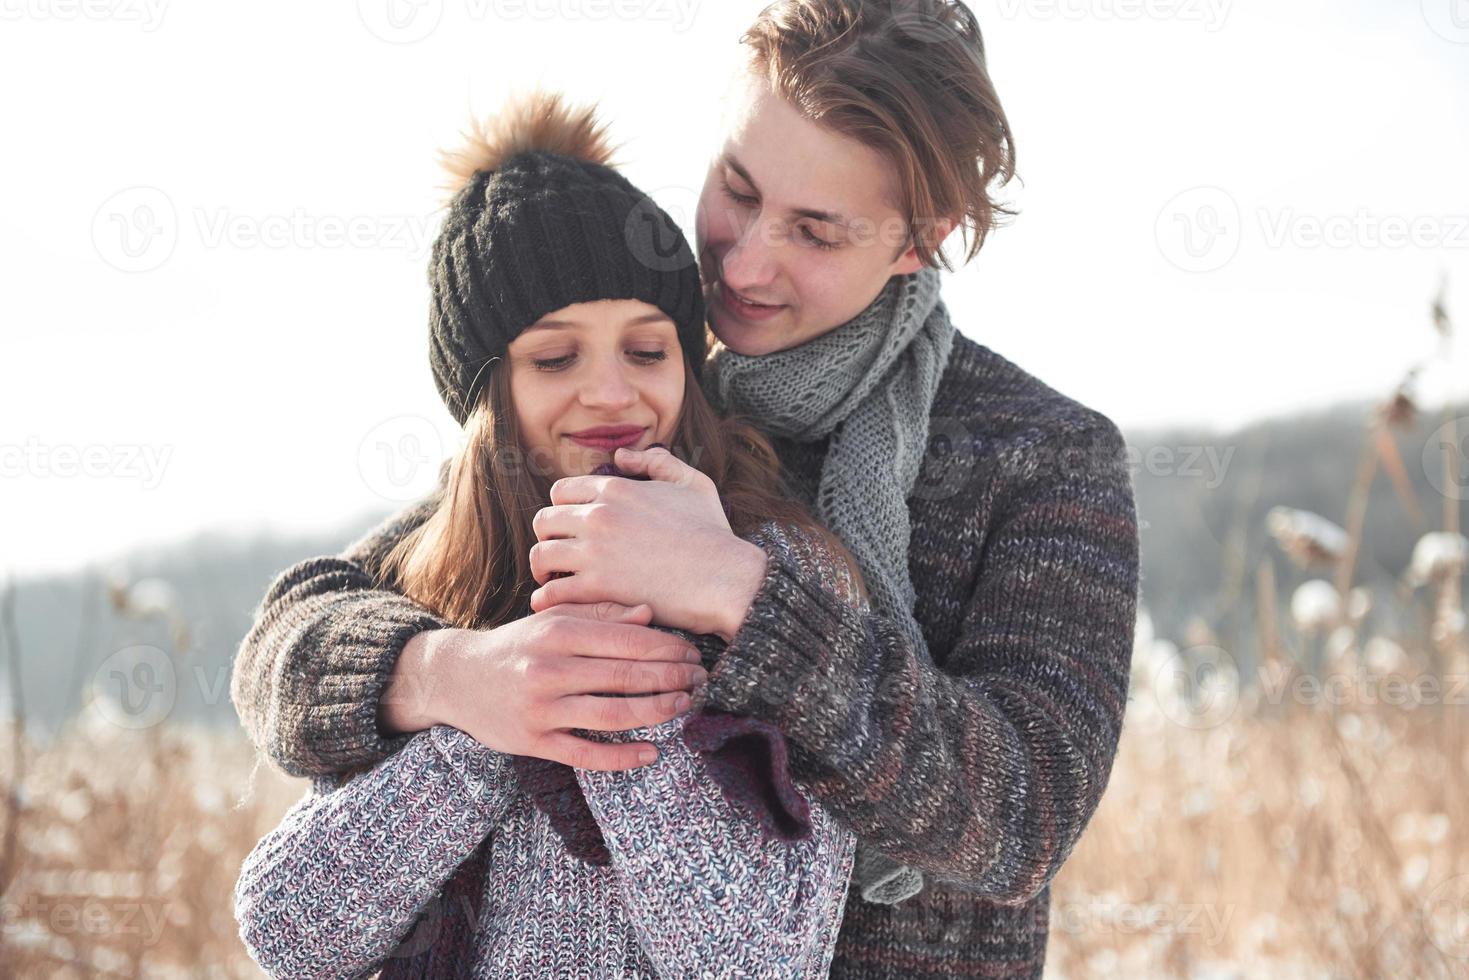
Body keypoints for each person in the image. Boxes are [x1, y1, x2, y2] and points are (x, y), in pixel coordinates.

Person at [230, 2, 1143, 976]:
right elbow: (304, 628)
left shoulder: (1042, 453)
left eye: (815, 232)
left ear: (923, 236)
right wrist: (450, 674)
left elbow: (1020, 812)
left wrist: (744, 594)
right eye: (737, 190)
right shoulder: (641, 381)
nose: (744, 263)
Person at [232, 90, 864, 978]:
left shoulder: (776, 571)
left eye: (647, 352)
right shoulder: (423, 581)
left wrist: (604, 674)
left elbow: (760, 958)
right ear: (485, 393)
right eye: (556, 357)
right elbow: (292, 933)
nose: (611, 393)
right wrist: (484, 699)